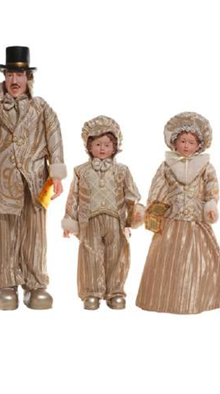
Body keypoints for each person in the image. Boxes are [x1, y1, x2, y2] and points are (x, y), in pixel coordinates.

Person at [0, 46, 66, 310]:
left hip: (35, 183)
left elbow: (55, 139)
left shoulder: (41, 108)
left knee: (35, 235)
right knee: (5, 234)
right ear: (4, 78)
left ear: (29, 78)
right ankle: (7, 285)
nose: (14, 81)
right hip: (2, 183)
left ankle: (36, 284)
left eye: (19, 75)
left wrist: (57, 174)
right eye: (9, 75)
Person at [136, 112, 220, 314]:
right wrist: (154, 208)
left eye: (191, 142)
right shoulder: (167, 165)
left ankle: (198, 298)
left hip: (196, 219)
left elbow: (211, 187)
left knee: (198, 258)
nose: (186, 146)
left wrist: (211, 204)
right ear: (174, 142)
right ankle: (167, 297)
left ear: (199, 145)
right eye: (182, 141)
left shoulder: (205, 166)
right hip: (172, 219)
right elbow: (158, 187)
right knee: (168, 260)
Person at [62, 116, 144, 310]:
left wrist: (132, 217)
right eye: (97, 144)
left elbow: (131, 195)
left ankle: (115, 291)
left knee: (117, 255)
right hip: (90, 220)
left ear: (115, 147)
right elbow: (73, 197)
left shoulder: (122, 170)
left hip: (115, 220)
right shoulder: (81, 171)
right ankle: (92, 292)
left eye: (107, 145)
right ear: (89, 147)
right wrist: (69, 220)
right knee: (90, 255)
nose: (102, 149)